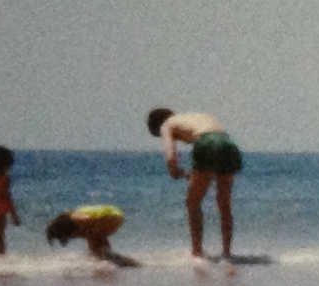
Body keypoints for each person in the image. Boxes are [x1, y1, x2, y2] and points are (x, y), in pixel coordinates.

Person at [144, 107, 244, 259]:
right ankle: (227, 252)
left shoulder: (167, 125)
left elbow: (171, 156)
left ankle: (197, 252)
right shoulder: (200, 115)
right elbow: (216, 145)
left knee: (193, 202)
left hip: (206, 143)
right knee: (224, 203)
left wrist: (173, 169)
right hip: (229, 145)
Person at [45, 205, 137, 267]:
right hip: (110, 214)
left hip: (110, 217)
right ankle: (128, 263)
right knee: (99, 253)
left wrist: (99, 238)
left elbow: (88, 220)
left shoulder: (78, 221)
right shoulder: (70, 219)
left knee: (102, 253)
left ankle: (132, 264)